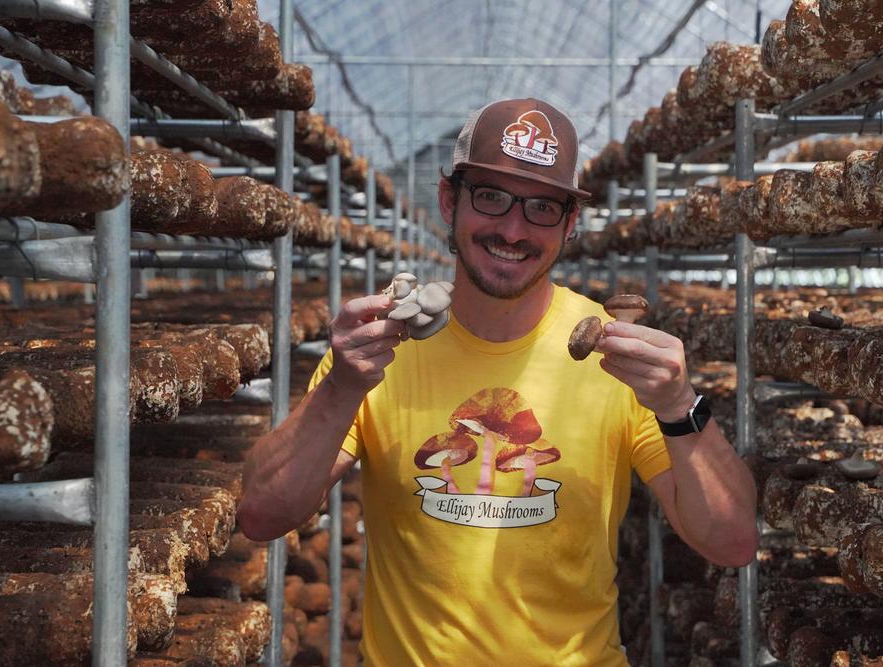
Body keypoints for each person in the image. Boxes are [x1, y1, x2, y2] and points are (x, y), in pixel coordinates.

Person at [239, 98, 758, 665]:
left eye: (541, 207)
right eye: (490, 197)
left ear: (570, 224)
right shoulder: (381, 348)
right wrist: (341, 387)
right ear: (448, 200)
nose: (513, 229)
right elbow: (264, 514)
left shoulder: (616, 358)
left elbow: (731, 543)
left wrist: (680, 405)